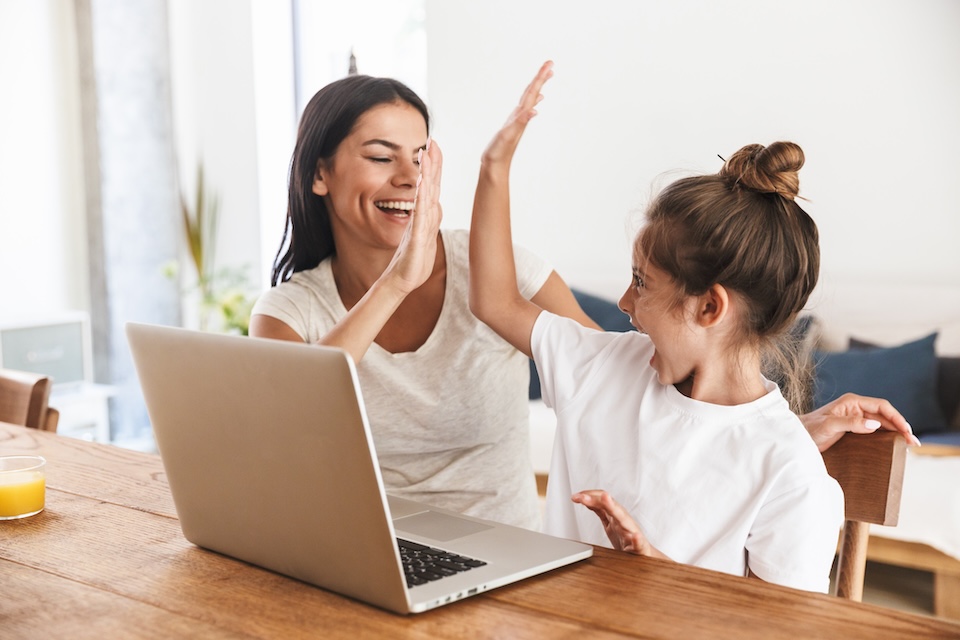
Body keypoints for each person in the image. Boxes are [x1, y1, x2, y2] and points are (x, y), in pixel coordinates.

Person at [250, 71, 916, 534]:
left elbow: (635, 402)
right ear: (319, 173)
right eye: (379, 156)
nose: (408, 177)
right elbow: (282, 438)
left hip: (504, 559)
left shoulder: (510, 285)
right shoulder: (290, 311)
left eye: (422, 156)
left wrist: (778, 437)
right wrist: (400, 278)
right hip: (368, 559)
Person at [468, 61, 852, 592]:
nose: (625, 302)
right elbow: (496, 301)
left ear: (709, 308)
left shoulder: (788, 472)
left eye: (641, 282)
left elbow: (779, 630)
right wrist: (493, 168)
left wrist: (662, 580)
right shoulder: (605, 368)